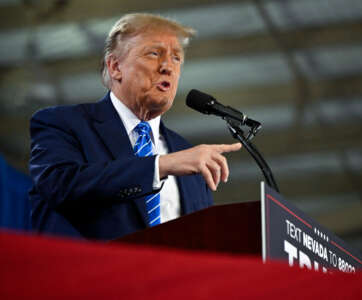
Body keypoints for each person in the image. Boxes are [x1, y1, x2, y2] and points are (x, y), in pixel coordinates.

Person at [29, 13, 241, 241]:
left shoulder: (188, 155)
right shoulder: (63, 123)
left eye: (176, 58)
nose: (168, 67)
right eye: (154, 53)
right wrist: (159, 166)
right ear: (115, 67)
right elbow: (60, 185)